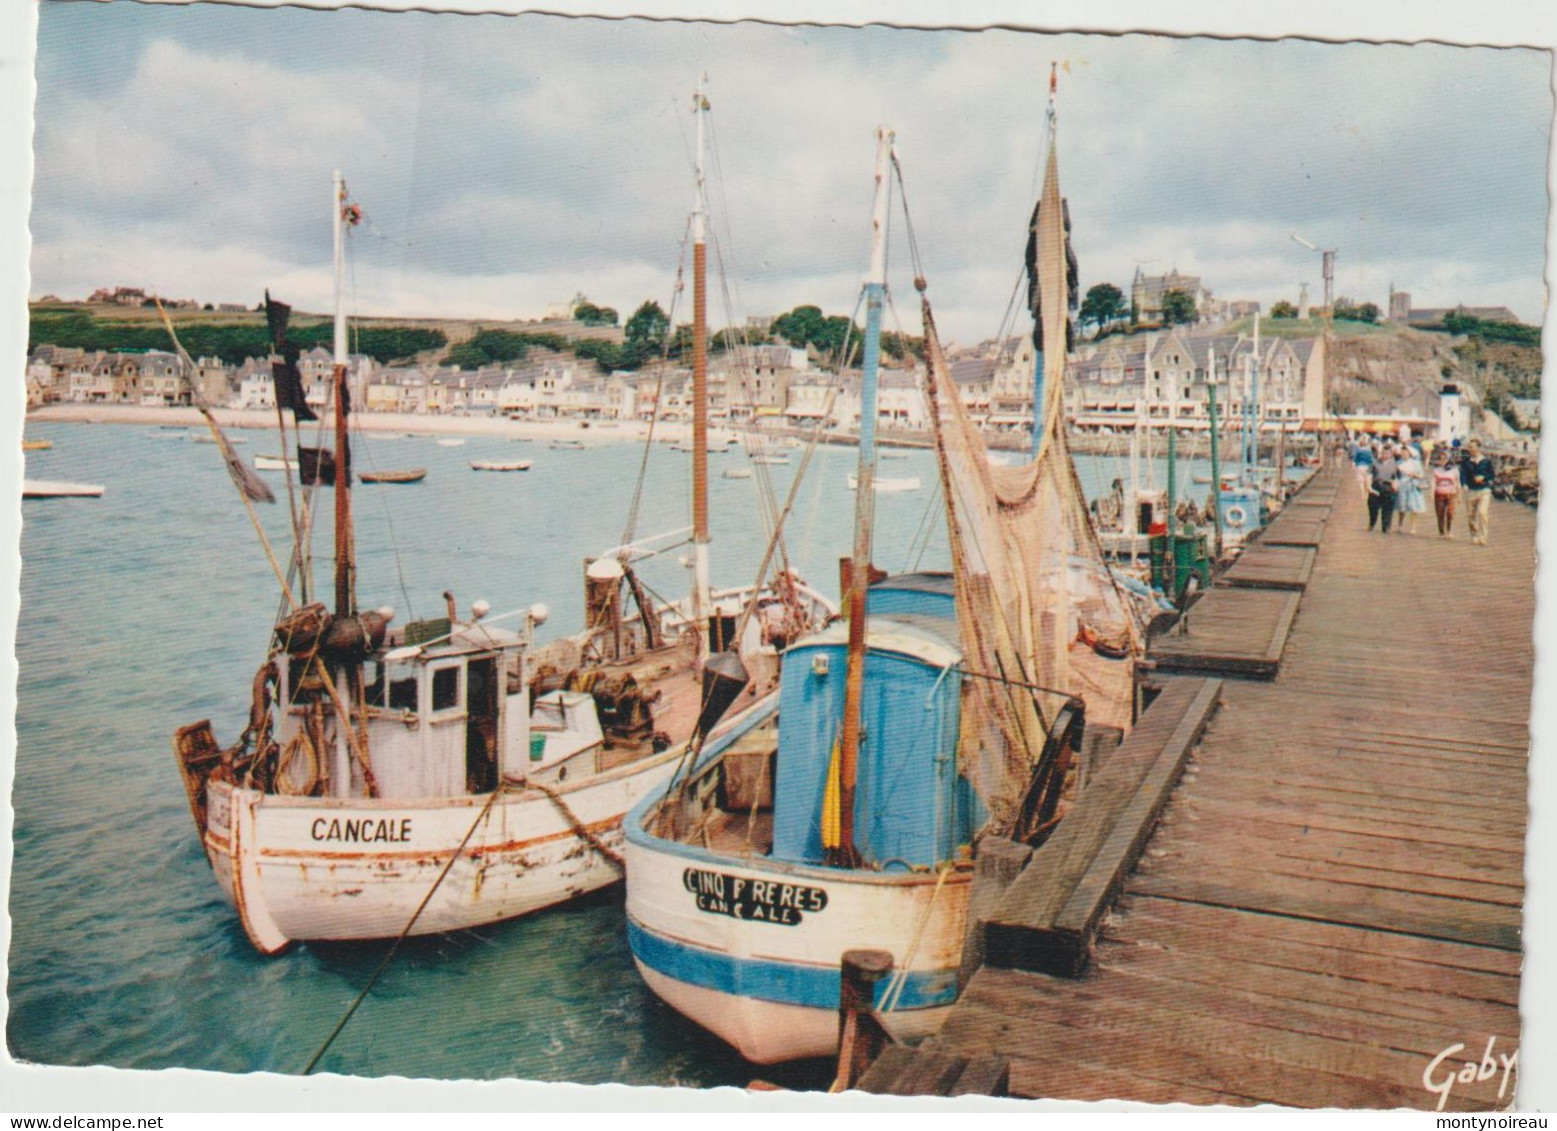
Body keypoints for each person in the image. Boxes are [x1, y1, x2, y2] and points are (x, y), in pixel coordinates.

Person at [1460, 438, 1496, 546]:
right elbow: (1463, 474)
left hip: (1484, 489)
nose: (1470, 449)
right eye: (1469, 447)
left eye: (1472, 447)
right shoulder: (1466, 461)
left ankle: (1483, 537)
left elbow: (1492, 474)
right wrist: (1464, 484)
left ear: (1478, 447)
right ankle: (1474, 535)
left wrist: (1484, 477)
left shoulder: (1486, 461)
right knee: (1471, 515)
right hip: (1471, 490)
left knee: (1482, 513)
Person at [1367, 443, 1400, 533]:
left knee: (1388, 509)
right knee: (1373, 508)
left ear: (1391, 454)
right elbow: (1369, 475)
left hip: (1388, 486)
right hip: (1376, 486)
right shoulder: (1375, 462)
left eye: (1388, 453)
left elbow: (1396, 477)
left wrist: (1396, 485)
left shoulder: (1394, 464)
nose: (1385, 455)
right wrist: (1369, 487)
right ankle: (1372, 523)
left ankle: (1386, 527)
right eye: (1384, 453)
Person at [1394, 443, 1426, 534]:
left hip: (1413, 485)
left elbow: (1421, 475)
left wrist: (1414, 475)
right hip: (1402, 485)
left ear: (1409, 453)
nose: (1403, 454)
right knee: (1402, 506)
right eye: (1402, 452)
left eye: (1405, 452)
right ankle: (1400, 525)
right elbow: (1396, 475)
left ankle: (1413, 527)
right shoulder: (1398, 463)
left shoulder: (1415, 463)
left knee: (1414, 507)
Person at [1431, 449, 1461, 538]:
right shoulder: (1436, 470)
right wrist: (1431, 493)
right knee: (1440, 513)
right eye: (1441, 458)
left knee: (1450, 512)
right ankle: (1441, 532)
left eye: (1444, 458)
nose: (1442, 460)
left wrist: (1459, 495)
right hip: (1439, 493)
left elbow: (1458, 483)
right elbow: (1433, 482)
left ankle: (1449, 531)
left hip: (1452, 493)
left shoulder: (1454, 470)